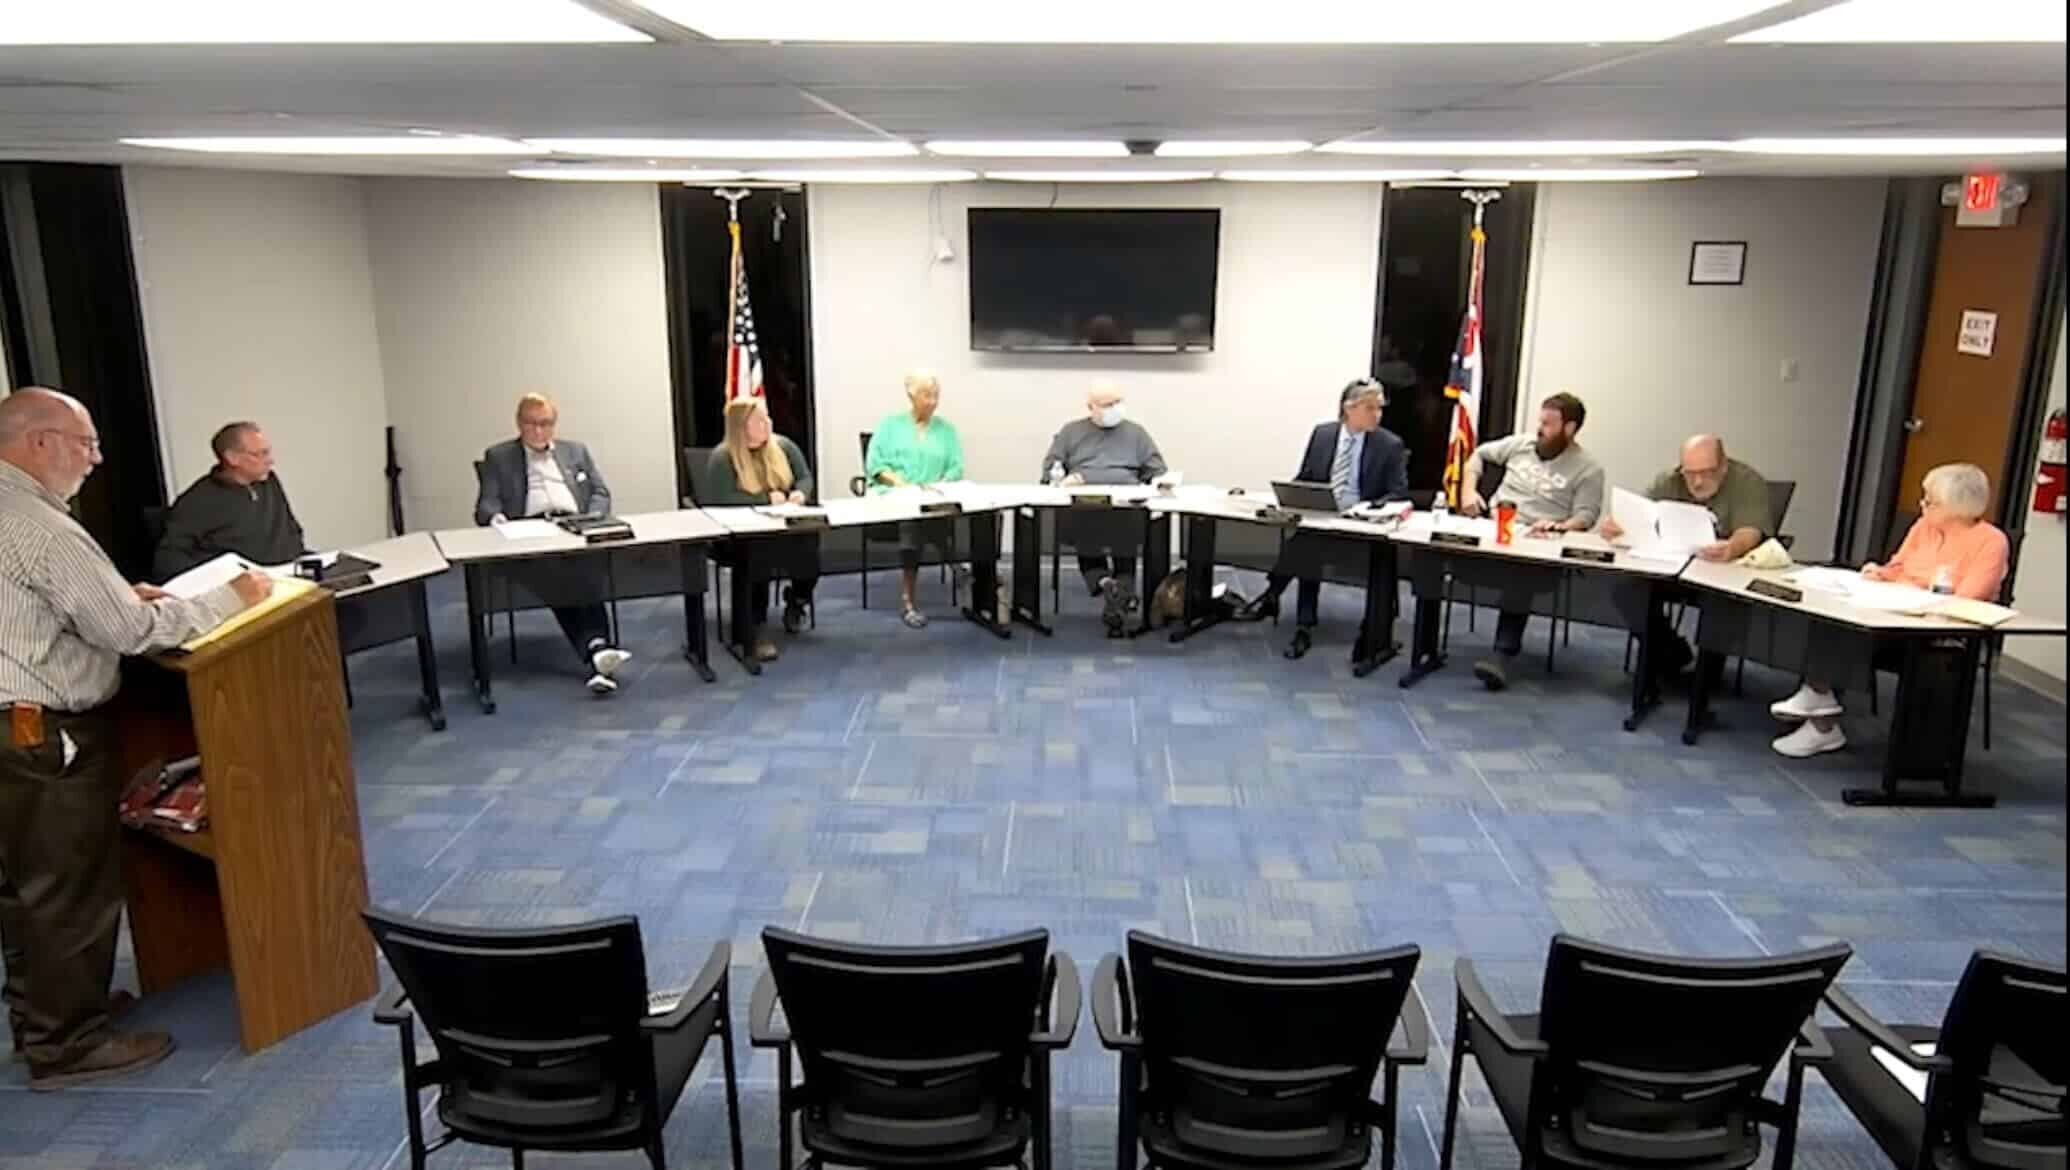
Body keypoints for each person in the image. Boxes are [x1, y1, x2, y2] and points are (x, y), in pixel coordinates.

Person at [0, 387, 270, 1090]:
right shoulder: (43, 527)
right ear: (38, 443)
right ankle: (67, 1046)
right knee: (68, 886)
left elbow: (32, 605)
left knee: (27, 885)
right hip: (41, 732)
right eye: (85, 443)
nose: (95, 458)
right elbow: (129, 632)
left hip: (9, 727)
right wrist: (229, 599)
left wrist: (119, 594)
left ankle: (46, 1020)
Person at [1769, 463, 2008, 758]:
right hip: (1893, 610)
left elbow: (1969, 597)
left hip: (1940, 631)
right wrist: (1880, 573)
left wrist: (1913, 589)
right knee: (1830, 622)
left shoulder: (1991, 542)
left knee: (1849, 636)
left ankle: (1820, 711)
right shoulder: (1923, 527)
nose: (1922, 505)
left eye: (1931, 501)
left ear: (1958, 507)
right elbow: (1898, 566)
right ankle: (1819, 710)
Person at [473, 393, 631, 695]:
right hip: (530, 535)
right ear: (519, 424)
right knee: (560, 576)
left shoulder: (575, 451)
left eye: (545, 424)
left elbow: (600, 492)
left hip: (574, 527)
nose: (538, 431)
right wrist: (496, 519)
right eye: (530, 424)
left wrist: (593, 517)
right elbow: (486, 503)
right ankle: (597, 649)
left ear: (554, 425)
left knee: (584, 570)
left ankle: (596, 652)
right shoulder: (499, 456)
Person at [1250, 379, 1411, 659]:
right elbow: (1307, 476)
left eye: (1380, 408)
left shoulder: (1389, 445)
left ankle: (1273, 594)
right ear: (1349, 409)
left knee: (1304, 545)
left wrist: (1368, 507)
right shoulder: (1323, 435)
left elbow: (1398, 492)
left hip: (1360, 524)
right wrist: (1290, 496)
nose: (1377, 414)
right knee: (1306, 543)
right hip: (1323, 517)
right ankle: (1302, 623)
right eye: (1370, 408)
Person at [1456, 392, 1605, 691]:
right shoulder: (1520, 445)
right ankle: (1425, 647)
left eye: (1548, 424)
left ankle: (1502, 654)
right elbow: (1479, 455)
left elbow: (1587, 516)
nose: (1539, 429)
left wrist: (1561, 526)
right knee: (1442, 550)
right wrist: (1468, 491)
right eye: (1540, 421)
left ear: (1569, 429)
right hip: (1496, 528)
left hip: (1540, 544)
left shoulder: (1588, 468)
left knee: (1519, 573)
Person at [1602, 435, 1771, 685]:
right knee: (1625, 588)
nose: (1697, 481)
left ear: (1723, 466)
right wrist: (1617, 525)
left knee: (1722, 603)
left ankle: (1706, 676)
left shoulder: (1747, 482)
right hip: (1674, 567)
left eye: (1707, 473)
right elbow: (1639, 512)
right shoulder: (1670, 480)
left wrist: (1732, 547)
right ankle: (1669, 652)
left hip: (1721, 572)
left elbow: (1751, 530)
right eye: (1690, 474)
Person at [1040, 381, 1167, 635]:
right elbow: (1049, 472)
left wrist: (1156, 484)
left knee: (1126, 535)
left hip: (1124, 508)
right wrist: (1065, 478)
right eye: (1107, 404)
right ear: (1091, 407)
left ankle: (1110, 587)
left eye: (1118, 402)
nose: (1114, 408)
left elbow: (1158, 471)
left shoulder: (1136, 434)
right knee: (1086, 530)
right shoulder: (1071, 432)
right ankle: (1117, 589)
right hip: (1083, 508)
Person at [704, 398, 820, 662]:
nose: (767, 423)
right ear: (741, 426)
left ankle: (797, 600)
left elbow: (804, 477)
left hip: (781, 526)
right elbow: (721, 499)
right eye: (759, 420)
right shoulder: (723, 458)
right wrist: (764, 500)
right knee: (757, 556)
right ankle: (754, 629)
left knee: (809, 546)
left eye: (767, 417)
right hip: (737, 536)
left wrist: (800, 493)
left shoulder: (783, 446)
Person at [864, 371, 966, 629]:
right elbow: (875, 465)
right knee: (912, 518)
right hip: (894, 496)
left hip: (932, 497)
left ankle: (958, 569)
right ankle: (911, 597)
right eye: (926, 395)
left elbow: (956, 467)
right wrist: (902, 484)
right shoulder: (890, 426)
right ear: (911, 395)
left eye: (936, 396)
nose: (932, 401)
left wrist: (940, 484)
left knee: (927, 514)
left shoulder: (946, 430)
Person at [153, 421, 308, 580]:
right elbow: (169, 558)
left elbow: (291, 529)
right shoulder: (197, 500)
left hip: (288, 572)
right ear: (232, 458)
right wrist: (224, 578)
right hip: (241, 583)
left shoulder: (269, 481)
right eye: (260, 454)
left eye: (267, 452)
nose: (270, 460)